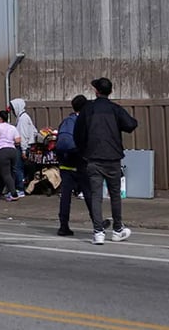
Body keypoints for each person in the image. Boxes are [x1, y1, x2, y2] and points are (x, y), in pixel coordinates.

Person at [75, 77, 138, 245]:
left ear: (96, 91)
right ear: (110, 91)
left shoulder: (88, 110)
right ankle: (117, 229)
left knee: (96, 195)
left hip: (93, 158)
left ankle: (98, 232)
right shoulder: (115, 109)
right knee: (115, 195)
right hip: (113, 157)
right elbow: (131, 125)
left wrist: (84, 152)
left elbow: (78, 134)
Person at [54, 95, 112, 236]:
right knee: (89, 194)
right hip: (82, 164)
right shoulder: (86, 121)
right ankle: (97, 224)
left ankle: (63, 226)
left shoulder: (67, 121)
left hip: (66, 165)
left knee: (66, 197)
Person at [9, 97, 37, 198]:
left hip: (22, 147)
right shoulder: (25, 117)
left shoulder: (22, 119)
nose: (12, 111)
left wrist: (24, 150)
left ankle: (20, 189)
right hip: (27, 146)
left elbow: (23, 136)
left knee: (18, 168)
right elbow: (34, 131)